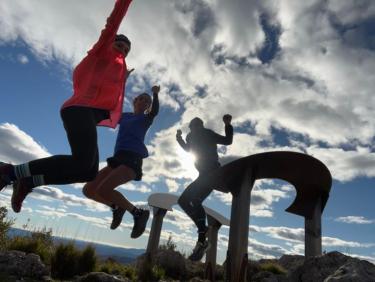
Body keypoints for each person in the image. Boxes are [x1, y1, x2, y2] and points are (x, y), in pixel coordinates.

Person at [0, 0, 134, 213]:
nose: (122, 51)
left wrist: (123, 78)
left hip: (86, 115)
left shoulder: (114, 72)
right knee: (82, 162)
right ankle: (11, 172)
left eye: (126, 50)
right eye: (119, 45)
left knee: (88, 173)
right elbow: (113, 23)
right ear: (110, 44)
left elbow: (107, 87)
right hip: (79, 109)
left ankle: (29, 182)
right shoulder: (101, 53)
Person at [83, 85, 160, 238]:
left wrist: (155, 95)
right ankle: (116, 207)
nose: (144, 101)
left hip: (133, 158)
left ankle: (138, 213)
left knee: (104, 190)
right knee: (89, 190)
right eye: (141, 99)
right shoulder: (124, 116)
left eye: (147, 101)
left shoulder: (145, 119)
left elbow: (155, 112)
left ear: (148, 106)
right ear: (135, 101)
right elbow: (106, 114)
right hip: (117, 158)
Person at [176, 114, 233, 261]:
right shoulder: (191, 137)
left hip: (212, 174)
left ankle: (202, 231)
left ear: (200, 126)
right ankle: (202, 236)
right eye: (194, 128)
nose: (195, 130)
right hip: (204, 176)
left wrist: (227, 124)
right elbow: (188, 149)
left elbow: (228, 141)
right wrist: (179, 139)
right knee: (187, 201)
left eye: (196, 127)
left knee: (188, 201)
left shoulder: (206, 133)